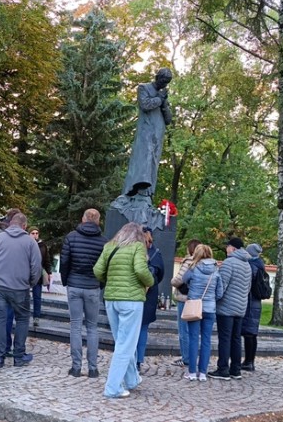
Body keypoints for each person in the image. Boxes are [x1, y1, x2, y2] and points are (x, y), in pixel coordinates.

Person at [93, 222, 153, 399]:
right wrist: (150, 282)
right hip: (131, 300)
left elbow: (97, 270)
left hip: (111, 299)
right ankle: (113, 388)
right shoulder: (137, 247)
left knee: (122, 341)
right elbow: (141, 270)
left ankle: (132, 379)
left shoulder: (109, 246)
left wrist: (110, 281)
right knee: (125, 345)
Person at [0, 212, 42, 368]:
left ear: (10, 224)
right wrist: (30, 283)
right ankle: (18, 356)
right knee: (22, 319)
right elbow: (36, 267)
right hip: (20, 286)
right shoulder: (31, 242)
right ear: (24, 226)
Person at [60, 208, 107, 378]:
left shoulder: (71, 237)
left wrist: (66, 281)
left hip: (74, 284)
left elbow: (64, 262)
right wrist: (100, 284)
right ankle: (93, 368)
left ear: (83, 219)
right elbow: (105, 267)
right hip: (92, 286)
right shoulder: (104, 241)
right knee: (93, 327)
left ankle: (76, 367)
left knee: (75, 326)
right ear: (98, 221)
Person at [123, 68, 173, 197]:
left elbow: (168, 120)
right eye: (163, 81)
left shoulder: (162, 95)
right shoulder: (143, 88)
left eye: (167, 82)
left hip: (158, 134)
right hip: (146, 132)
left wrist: (164, 104)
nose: (164, 85)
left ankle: (147, 193)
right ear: (157, 77)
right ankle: (134, 189)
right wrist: (159, 99)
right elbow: (145, 105)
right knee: (143, 159)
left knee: (153, 163)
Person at [208, 237, 252, 381]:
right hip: (240, 307)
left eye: (227, 246)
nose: (226, 249)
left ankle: (223, 369)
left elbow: (222, 286)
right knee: (236, 339)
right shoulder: (247, 264)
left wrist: (215, 299)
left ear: (232, 248)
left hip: (226, 307)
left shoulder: (229, 263)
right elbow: (248, 287)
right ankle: (236, 369)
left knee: (225, 338)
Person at [181, 244, 222, 381]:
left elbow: (183, 280)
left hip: (194, 306)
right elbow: (220, 292)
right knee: (206, 340)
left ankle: (192, 372)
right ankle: (203, 373)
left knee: (193, 338)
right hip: (210, 309)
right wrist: (211, 300)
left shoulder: (193, 268)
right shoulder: (216, 270)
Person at [135, 226, 164, 371]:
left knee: (133, 329)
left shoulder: (134, 250)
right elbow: (161, 275)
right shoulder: (156, 254)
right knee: (142, 329)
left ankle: (132, 358)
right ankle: (138, 360)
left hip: (135, 293)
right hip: (150, 295)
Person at [170, 239, 200, 367]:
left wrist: (172, 282)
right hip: (197, 300)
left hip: (184, 298)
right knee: (193, 331)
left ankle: (186, 357)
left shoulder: (189, 261)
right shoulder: (203, 262)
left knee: (183, 330)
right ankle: (191, 357)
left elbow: (178, 280)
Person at [241, 242, 265, 371]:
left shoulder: (251, 266)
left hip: (250, 302)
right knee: (251, 333)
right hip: (256, 303)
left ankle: (248, 362)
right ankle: (249, 361)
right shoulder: (260, 264)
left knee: (249, 333)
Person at [29, 227, 52, 327]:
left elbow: (47, 259)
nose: (35, 235)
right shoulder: (26, 244)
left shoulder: (42, 245)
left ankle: (36, 317)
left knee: (37, 296)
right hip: (26, 273)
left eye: (36, 233)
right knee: (23, 296)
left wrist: (49, 272)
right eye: (33, 233)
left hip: (38, 274)